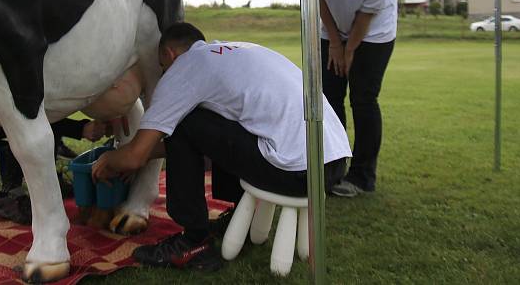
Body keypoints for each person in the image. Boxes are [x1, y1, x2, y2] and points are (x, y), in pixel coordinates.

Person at [92, 23, 351, 271]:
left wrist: (110, 160)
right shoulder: (236, 51)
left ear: (169, 54)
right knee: (216, 120)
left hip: (296, 171)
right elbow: (197, 141)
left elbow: (136, 156)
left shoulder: (185, 68)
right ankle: (237, 212)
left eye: (162, 67)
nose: (164, 74)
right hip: (332, 162)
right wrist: (140, 154)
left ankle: (193, 242)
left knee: (185, 123)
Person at [316, 0, 397, 198]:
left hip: (373, 32)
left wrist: (350, 49)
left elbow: (368, 12)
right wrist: (336, 42)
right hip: (332, 26)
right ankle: (332, 169)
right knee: (329, 97)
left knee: (363, 99)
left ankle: (362, 176)